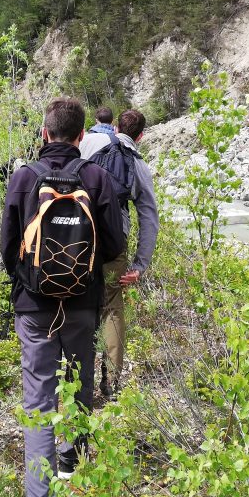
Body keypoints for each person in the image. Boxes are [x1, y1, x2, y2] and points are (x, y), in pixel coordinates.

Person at [0, 98, 125, 497]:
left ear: (44, 133)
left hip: (34, 307)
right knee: (79, 379)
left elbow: (7, 247)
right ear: (81, 136)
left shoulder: (23, 178)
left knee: (38, 402)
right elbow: (114, 245)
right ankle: (72, 460)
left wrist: (29, 282)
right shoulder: (97, 177)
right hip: (83, 303)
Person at [79, 109, 160, 397]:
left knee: (80, 304)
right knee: (112, 307)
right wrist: (139, 264)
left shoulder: (88, 143)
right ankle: (111, 383)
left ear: (115, 128)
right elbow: (149, 217)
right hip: (115, 241)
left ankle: (78, 383)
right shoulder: (138, 164)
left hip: (80, 237)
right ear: (140, 136)